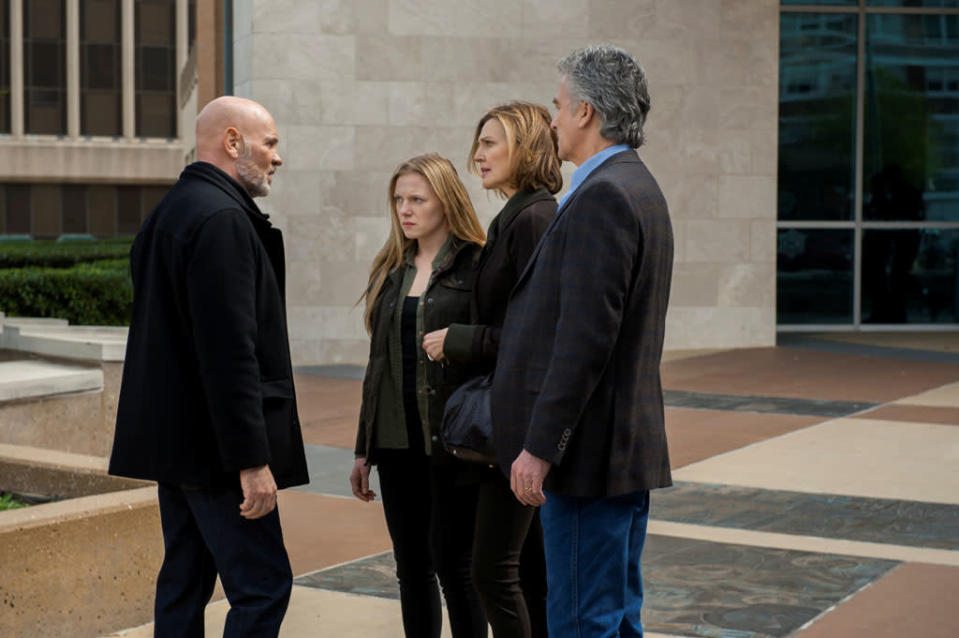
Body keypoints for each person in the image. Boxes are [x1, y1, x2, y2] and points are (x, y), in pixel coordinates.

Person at [108, 96, 309, 637]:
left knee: (184, 583)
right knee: (264, 586)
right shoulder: (221, 219)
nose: (277, 157)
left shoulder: (170, 213)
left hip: (182, 451)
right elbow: (228, 353)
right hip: (219, 455)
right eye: (270, 143)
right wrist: (250, 460)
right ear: (233, 142)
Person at [492, 46, 674, 636]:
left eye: (558, 106)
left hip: (589, 461)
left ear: (586, 113)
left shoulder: (604, 196)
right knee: (614, 618)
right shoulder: (635, 186)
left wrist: (541, 446)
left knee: (579, 622)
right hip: (619, 454)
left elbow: (585, 339)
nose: (551, 119)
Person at [422, 102, 561, 638]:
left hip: (520, 424)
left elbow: (538, 336)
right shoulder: (517, 215)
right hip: (511, 419)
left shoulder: (533, 219)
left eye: (490, 143)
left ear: (525, 148)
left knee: (492, 572)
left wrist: (460, 339)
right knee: (524, 571)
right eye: (477, 143)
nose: (477, 155)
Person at [349, 154, 488, 638]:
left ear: (445, 201)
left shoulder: (476, 263)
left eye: (416, 199)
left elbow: (495, 346)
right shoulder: (392, 268)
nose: (404, 210)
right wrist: (364, 449)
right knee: (411, 570)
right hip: (396, 442)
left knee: (457, 569)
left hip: (451, 444)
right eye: (399, 200)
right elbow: (378, 367)